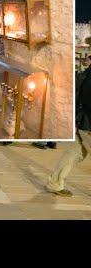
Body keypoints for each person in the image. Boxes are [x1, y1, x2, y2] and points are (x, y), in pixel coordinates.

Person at [46, 55, 91, 196]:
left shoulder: (85, 75)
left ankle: (55, 183)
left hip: (82, 121)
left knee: (75, 152)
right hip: (87, 123)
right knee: (75, 152)